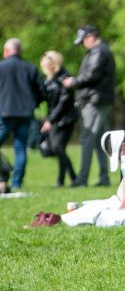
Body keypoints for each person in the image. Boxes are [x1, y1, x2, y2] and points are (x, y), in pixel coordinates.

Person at [64, 25, 115, 187]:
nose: (83, 45)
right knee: (100, 140)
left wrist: (74, 81)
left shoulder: (98, 51)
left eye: (83, 40)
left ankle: (82, 179)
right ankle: (104, 178)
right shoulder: (102, 50)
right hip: (98, 100)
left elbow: (91, 74)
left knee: (87, 138)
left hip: (94, 101)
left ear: (91, 36)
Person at [0, 38, 45, 189]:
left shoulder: (1, 67)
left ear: (6, 51)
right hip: (26, 114)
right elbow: (42, 91)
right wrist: (34, 103)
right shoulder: (30, 68)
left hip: (4, 113)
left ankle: (3, 175)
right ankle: (16, 183)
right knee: (20, 149)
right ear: (20, 51)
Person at [39, 51, 79, 187]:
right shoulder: (49, 79)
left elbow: (63, 103)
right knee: (59, 148)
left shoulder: (64, 78)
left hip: (66, 119)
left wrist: (50, 120)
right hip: (55, 119)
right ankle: (61, 180)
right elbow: (47, 101)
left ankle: (73, 176)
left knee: (57, 147)